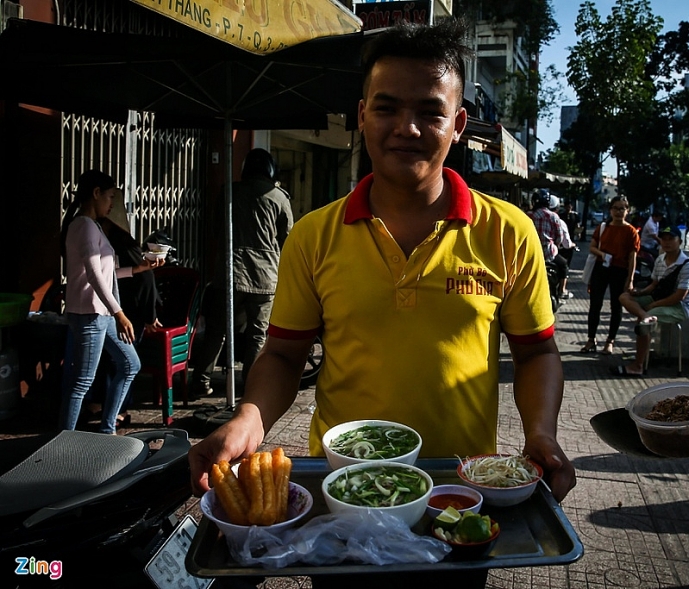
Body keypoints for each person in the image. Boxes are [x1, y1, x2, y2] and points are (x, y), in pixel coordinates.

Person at [189, 17, 573, 500]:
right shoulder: (313, 235)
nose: (406, 128)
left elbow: (536, 352)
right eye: (387, 107)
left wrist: (541, 432)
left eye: (430, 112)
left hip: (458, 488)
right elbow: (285, 354)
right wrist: (248, 418)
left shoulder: (508, 231)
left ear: (457, 126)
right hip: (342, 487)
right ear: (363, 114)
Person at [190, 148, 293, 397]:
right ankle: (250, 385)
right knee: (257, 335)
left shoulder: (228, 191)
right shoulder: (279, 197)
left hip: (229, 273)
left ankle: (201, 381)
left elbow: (217, 228)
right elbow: (287, 237)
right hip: (265, 277)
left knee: (217, 331)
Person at [58, 170, 155, 435]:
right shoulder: (85, 226)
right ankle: (64, 440)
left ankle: (107, 429)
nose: (112, 203)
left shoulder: (91, 226)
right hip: (91, 315)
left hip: (101, 314)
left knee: (130, 364)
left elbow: (105, 273)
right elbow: (92, 273)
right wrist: (120, 313)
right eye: (110, 196)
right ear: (96, 193)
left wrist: (139, 269)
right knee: (82, 382)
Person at [613, 226, 689, 376]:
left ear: (680, 242)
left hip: (679, 306)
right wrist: (640, 293)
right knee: (624, 297)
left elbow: (680, 296)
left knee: (643, 324)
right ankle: (645, 316)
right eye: (664, 239)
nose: (666, 242)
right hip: (658, 297)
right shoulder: (660, 259)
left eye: (671, 239)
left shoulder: (687, 265)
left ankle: (638, 366)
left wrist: (654, 305)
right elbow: (654, 284)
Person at [579, 196, 640, 355]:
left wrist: (630, 279)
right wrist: (603, 254)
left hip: (620, 271)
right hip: (601, 269)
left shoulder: (631, 232)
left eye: (622, 208)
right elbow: (592, 247)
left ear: (627, 211)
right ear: (610, 210)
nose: (619, 212)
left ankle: (610, 341)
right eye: (615, 208)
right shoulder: (603, 227)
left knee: (616, 306)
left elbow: (633, 257)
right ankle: (591, 340)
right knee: (595, 305)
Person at [527, 189, 573, 299]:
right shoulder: (553, 216)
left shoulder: (528, 215)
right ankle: (562, 291)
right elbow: (559, 237)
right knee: (564, 265)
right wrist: (555, 245)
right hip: (549, 254)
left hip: (530, 254)